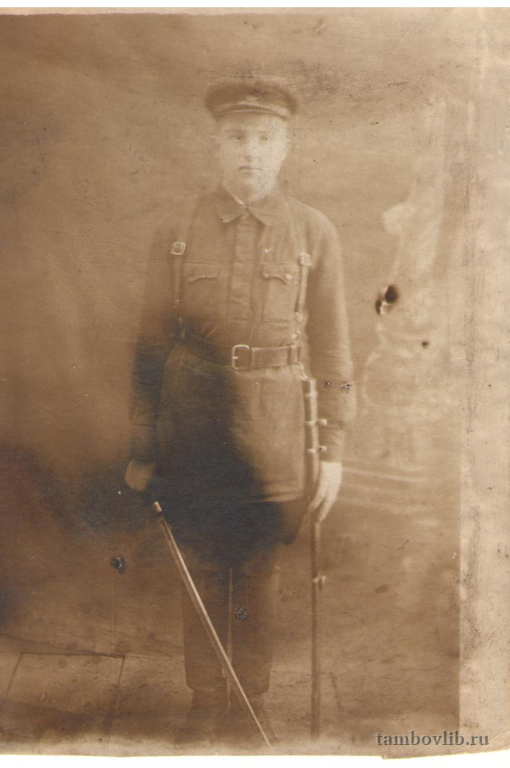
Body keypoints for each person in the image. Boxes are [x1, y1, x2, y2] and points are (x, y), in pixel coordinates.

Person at [124, 79, 356, 747]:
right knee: (201, 562)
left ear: (285, 148)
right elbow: (149, 346)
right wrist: (143, 443)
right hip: (192, 423)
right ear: (216, 147)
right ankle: (205, 704)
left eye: (263, 139)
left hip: (276, 429)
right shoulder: (176, 232)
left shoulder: (312, 232)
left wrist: (332, 451)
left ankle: (252, 704)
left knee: (258, 566)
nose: (249, 151)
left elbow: (334, 348)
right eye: (236, 138)